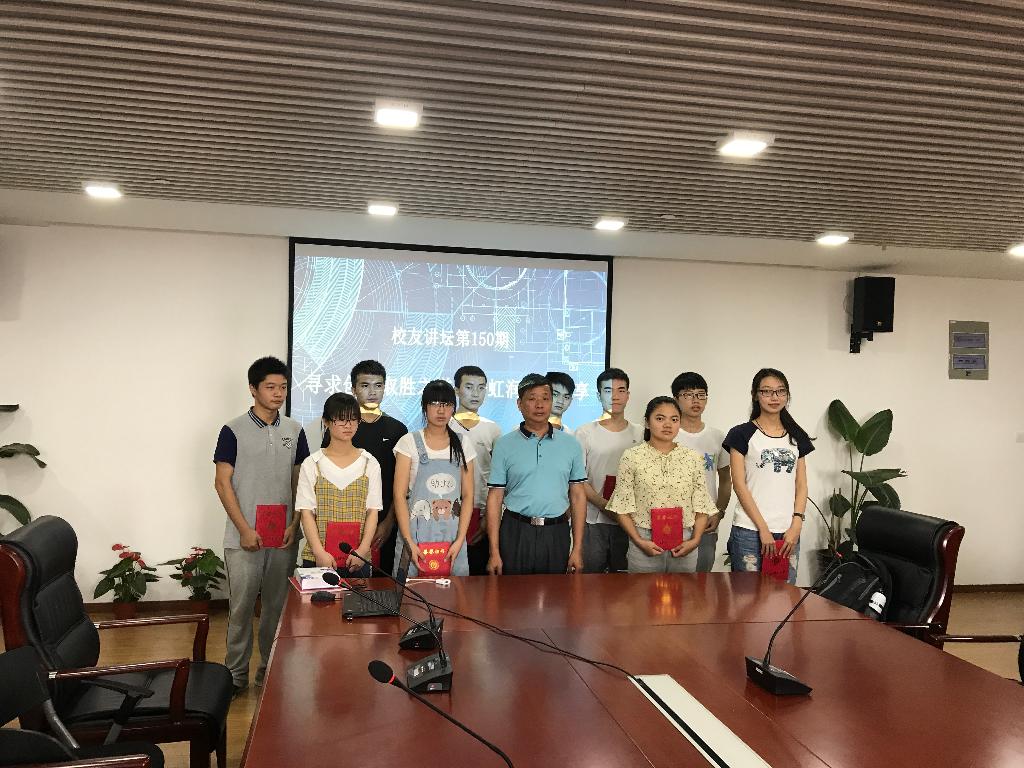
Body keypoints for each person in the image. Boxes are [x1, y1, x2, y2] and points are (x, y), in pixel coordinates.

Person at [213, 356, 309, 696]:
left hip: (283, 536)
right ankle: (235, 675)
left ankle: (269, 670)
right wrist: (243, 529)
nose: (278, 393)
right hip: (244, 536)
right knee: (240, 609)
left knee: (276, 608)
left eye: (283, 387)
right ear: (253, 389)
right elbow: (222, 482)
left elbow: (300, 482)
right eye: (270, 387)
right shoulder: (233, 430)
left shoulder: (295, 431)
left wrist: (294, 524)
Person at [486, 374, 587, 575]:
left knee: (556, 592)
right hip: (515, 531)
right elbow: (495, 497)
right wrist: (494, 551)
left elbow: (578, 496)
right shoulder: (504, 445)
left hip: (556, 532)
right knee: (513, 593)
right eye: (532, 398)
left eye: (545, 398)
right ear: (519, 404)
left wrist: (577, 549)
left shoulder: (571, 444)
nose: (539, 405)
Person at [723, 368, 814, 584]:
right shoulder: (741, 434)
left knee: (784, 596)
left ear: (787, 395)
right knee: (747, 598)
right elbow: (739, 485)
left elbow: (801, 485)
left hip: (788, 532)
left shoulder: (796, 435)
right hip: (749, 530)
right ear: (755, 395)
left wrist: (796, 524)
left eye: (780, 391)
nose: (774, 397)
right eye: (766, 391)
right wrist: (763, 530)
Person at [606, 396, 715, 573]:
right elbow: (621, 507)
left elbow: (701, 506)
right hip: (644, 539)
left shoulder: (693, 458)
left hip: (685, 541)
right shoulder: (632, 457)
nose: (668, 425)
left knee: (684, 590)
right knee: (642, 590)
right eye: (660, 418)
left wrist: (695, 540)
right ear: (647, 423)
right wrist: (639, 540)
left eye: (674, 419)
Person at [394, 380, 477, 577]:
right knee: (409, 592)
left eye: (447, 404)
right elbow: (399, 495)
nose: (441, 410)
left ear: (454, 408)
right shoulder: (409, 442)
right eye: (434, 404)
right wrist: (409, 541)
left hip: (452, 536)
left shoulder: (463, 444)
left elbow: (468, 496)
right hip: (414, 535)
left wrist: (460, 540)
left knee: (454, 592)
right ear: (424, 407)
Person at [296, 393, 382, 576]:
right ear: (326, 421)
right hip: (318, 558)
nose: (348, 425)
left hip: (357, 559)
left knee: (360, 596)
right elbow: (306, 512)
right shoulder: (312, 463)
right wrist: (319, 552)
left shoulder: (369, 463)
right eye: (341, 419)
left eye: (353, 419)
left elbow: (372, 512)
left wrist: (363, 550)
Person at [575, 368, 642, 573]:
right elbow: (578, 479)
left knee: (626, 582)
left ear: (628, 395)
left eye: (621, 390)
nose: (615, 396)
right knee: (590, 579)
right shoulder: (585, 432)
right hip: (593, 519)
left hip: (632, 520)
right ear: (598, 396)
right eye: (608, 390)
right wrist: (606, 506)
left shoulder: (641, 433)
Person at [347, 360, 408, 576]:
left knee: (383, 582)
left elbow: (401, 484)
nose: (372, 392)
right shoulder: (343, 427)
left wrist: (389, 522)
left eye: (378, 385)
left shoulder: (397, 429)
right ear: (353, 389)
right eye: (365, 385)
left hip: (385, 523)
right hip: (348, 519)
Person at [671, 372, 732, 572]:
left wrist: (719, 512)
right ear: (676, 399)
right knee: (669, 583)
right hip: (671, 520)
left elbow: (726, 480)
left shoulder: (718, 437)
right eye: (688, 395)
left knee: (701, 579)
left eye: (700, 394)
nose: (695, 400)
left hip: (706, 521)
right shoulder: (667, 434)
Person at [448, 365, 502, 575]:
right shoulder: (445, 425)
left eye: (481, 388)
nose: (475, 393)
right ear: (457, 390)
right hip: (449, 509)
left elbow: (498, 476)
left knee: (478, 572)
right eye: (469, 387)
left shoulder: (493, 429)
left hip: (481, 511)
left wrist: (489, 516)